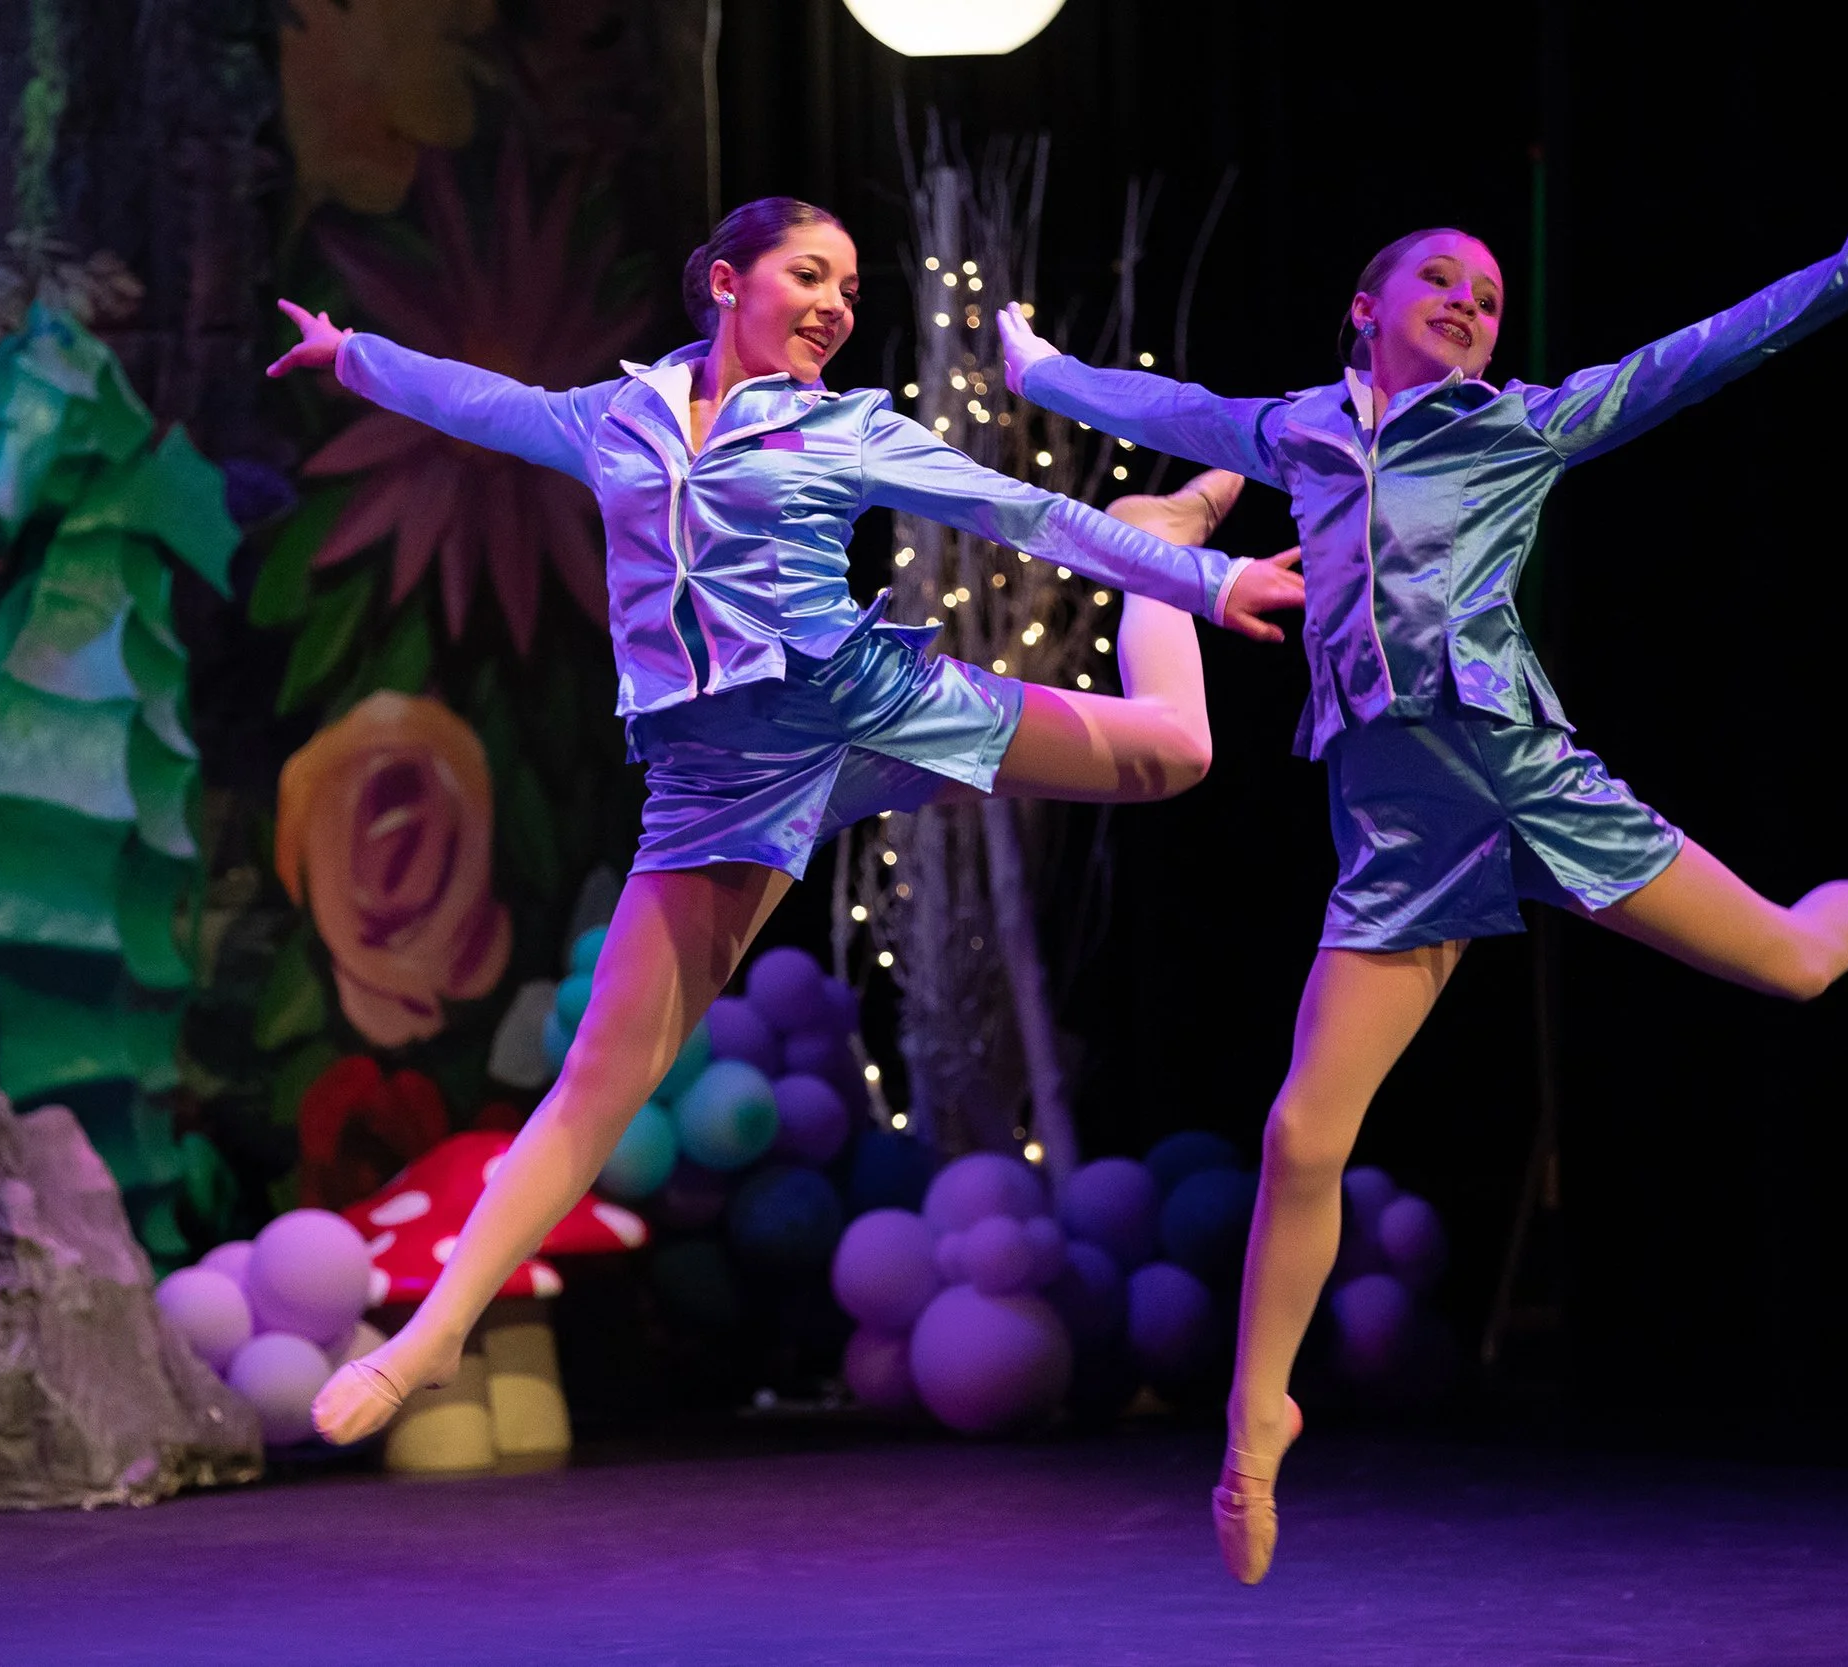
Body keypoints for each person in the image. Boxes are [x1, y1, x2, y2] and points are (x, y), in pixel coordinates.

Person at [999, 119, 1848, 1584]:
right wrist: (1039, 373)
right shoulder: (1295, 431)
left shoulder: (1519, 422)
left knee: (1792, 961)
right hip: (1395, 824)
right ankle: (1253, 1418)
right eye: (1443, 284)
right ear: (1367, 308)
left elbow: (1706, 350)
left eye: (1487, 292)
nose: (1475, 305)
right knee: (1301, 1134)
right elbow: (1172, 409)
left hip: (1528, 780)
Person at [268, 196, 1303, 1445]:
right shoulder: (618, 420)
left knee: (1177, 751)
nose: (834, 305)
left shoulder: (848, 428)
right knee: (601, 1079)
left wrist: (1204, 573)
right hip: (716, 774)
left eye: (851, 289)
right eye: (810, 274)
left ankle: (1167, 527)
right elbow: (488, 405)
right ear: (723, 282)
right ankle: (433, 1334)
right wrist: (350, 355)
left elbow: (1026, 516)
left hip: (863, 700)